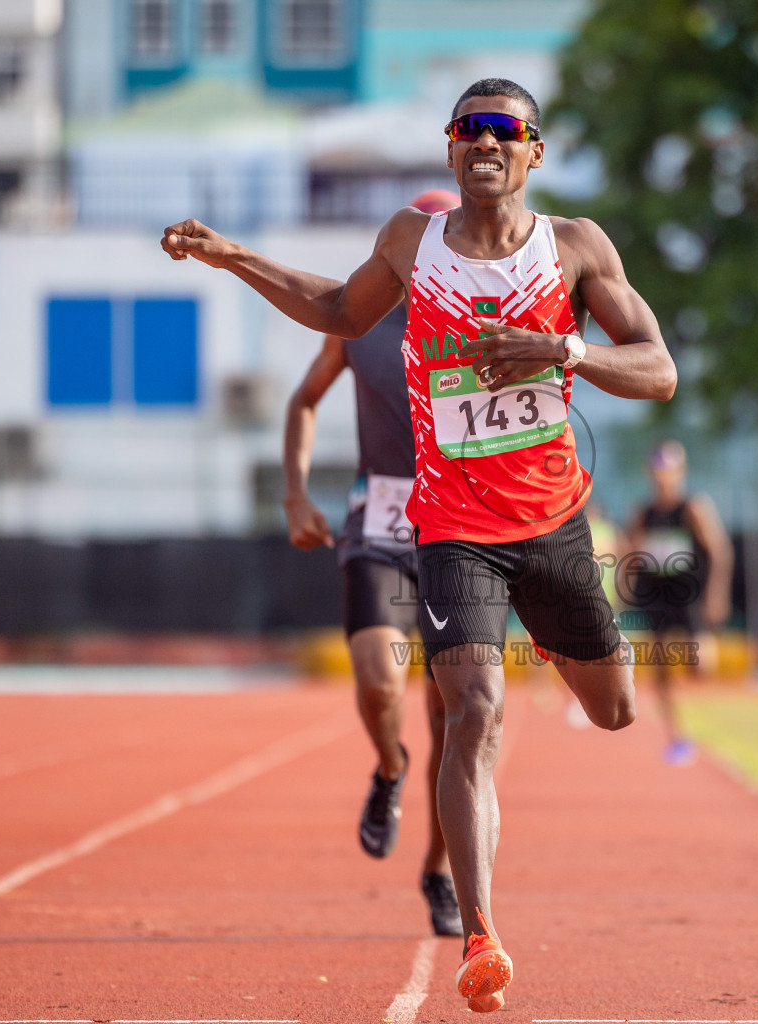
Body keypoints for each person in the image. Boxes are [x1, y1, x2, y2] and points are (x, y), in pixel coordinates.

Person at [162, 77, 676, 1013]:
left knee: (616, 711)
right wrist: (236, 256)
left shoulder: (574, 248)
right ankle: (480, 933)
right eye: (469, 128)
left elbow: (659, 371)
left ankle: (559, 669)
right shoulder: (411, 241)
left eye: (504, 129)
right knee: (472, 708)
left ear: (533, 151)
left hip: (553, 525)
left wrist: (561, 352)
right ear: (450, 150)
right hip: (451, 530)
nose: (485, 141)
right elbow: (336, 310)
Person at [280, 189, 464, 938]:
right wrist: (295, 493)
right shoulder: (361, 323)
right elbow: (304, 400)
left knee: (457, 721)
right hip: (379, 522)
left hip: (462, 529)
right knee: (379, 680)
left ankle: (441, 872)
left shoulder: (486, 315)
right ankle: (388, 766)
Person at [624, 440, 732, 764]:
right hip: (657, 597)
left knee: (701, 666)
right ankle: (678, 736)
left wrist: (716, 595)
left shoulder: (693, 509)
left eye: (669, 472)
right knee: (661, 672)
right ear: (650, 473)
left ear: (680, 472)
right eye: (657, 472)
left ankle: (711, 729)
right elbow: (631, 552)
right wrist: (629, 589)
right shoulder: (644, 513)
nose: (663, 478)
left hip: (690, 599)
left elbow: (720, 551)